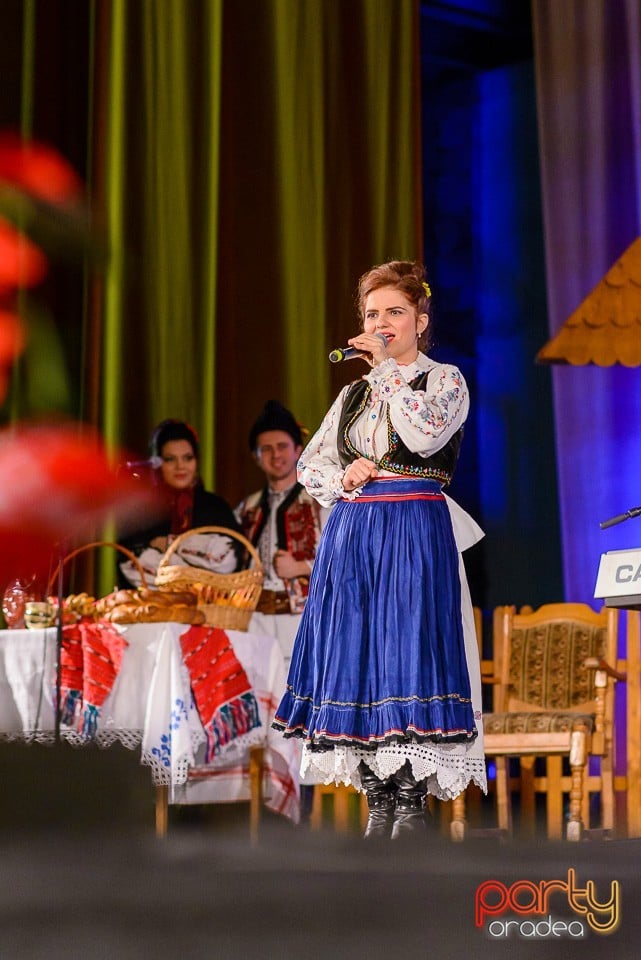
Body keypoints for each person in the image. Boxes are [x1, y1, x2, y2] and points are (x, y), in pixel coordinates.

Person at [272, 260, 486, 840]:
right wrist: (344, 477)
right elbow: (310, 464)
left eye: (394, 312)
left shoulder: (444, 381)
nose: (383, 323)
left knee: (409, 648)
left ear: (420, 319)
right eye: (372, 314)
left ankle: (412, 803)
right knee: (355, 654)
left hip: (414, 526)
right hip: (354, 534)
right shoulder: (352, 396)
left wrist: (389, 371)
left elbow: (423, 434)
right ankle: (379, 802)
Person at [236, 400, 330, 667]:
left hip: (301, 617)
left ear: (298, 449)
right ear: (256, 455)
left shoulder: (319, 502)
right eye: (266, 449)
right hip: (254, 620)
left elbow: (346, 560)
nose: (275, 455)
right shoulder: (247, 508)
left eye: (282, 447)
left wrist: (301, 566)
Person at [119, 419, 243, 587]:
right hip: (155, 607)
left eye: (187, 458)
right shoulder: (144, 510)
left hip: (210, 607)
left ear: (196, 461)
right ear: (157, 463)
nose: (180, 466)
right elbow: (128, 564)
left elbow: (233, 562)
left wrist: (171, 544)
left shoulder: (215, 506)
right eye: (170, 459)